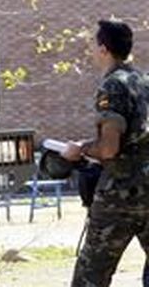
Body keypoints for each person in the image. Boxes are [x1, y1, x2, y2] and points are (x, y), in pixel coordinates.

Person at [62, 19, 149, 287]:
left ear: (103, 49)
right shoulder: (144, 82)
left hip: (120, 197)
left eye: (93, 43)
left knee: (91, 276)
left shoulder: (112, 86)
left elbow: (109, 148)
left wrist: (80, 150)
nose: (90, 49)